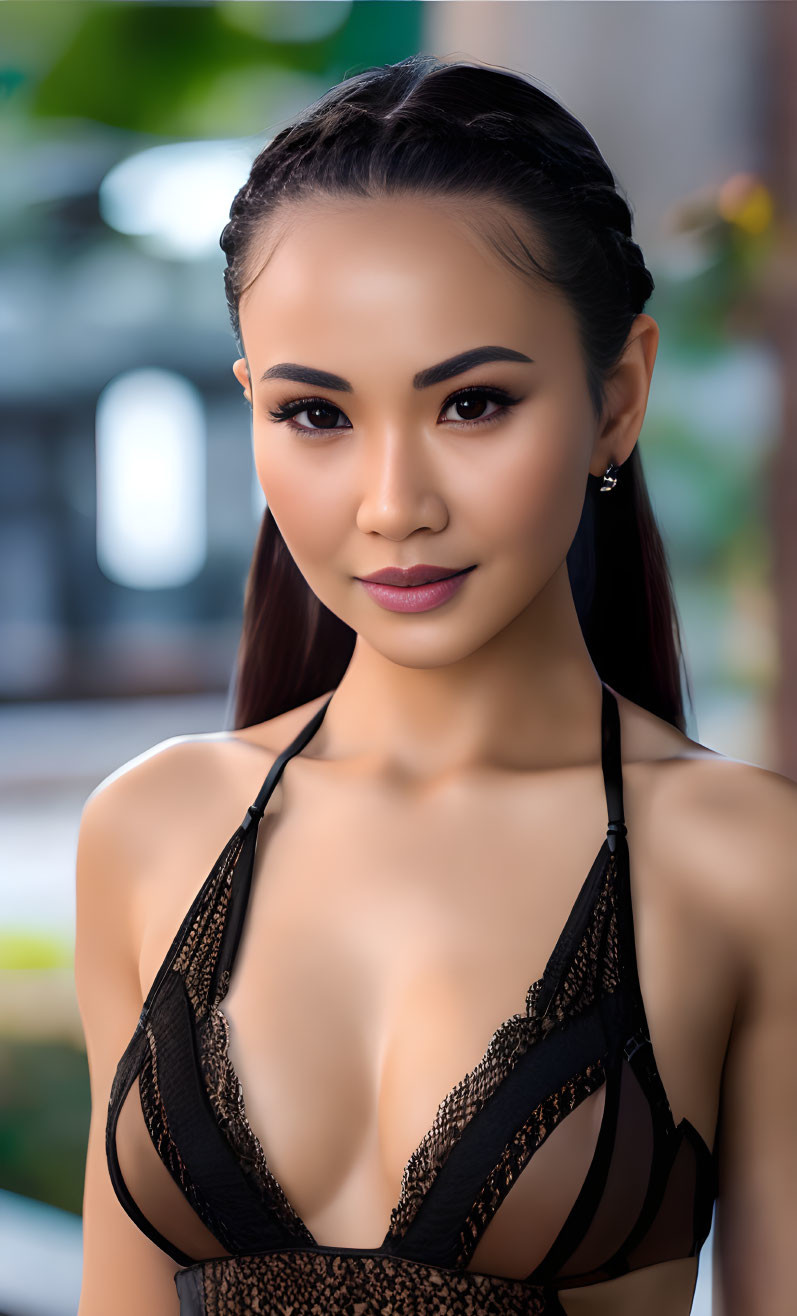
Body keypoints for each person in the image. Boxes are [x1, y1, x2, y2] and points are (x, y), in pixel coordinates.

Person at [75, 54, 796, 1316]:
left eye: (471, 402)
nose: (393, 503)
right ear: (250, 407)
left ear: (616, 395)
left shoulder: (744, 862)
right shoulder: (151, 829)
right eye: (315, 415)